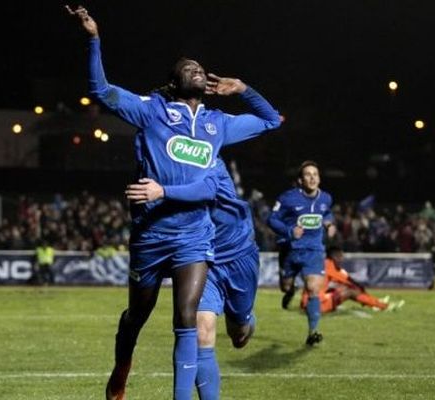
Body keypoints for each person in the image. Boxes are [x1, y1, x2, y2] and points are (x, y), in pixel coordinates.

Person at [66, 6, 281, 399]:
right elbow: (100, 90)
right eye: (188, 67)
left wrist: (243, 89)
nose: (197, 68)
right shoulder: (152, 111)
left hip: (193, 236)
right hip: (150, 235)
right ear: (172, 82)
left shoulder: (218, 123)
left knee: (186, 318)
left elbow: (272, 121)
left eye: (200, 66)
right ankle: (121, 367)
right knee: (136, 318)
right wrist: (93, 39)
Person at [126, 158, 261, 399]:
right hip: (201, 256)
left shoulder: (206, 158)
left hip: (239, 254)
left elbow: (201, 190)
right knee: (201, 330)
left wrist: (162, 191)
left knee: (239, 335)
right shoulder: (161, 163)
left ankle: (246, 320)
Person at [268, 161, 335, 346]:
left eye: (316, 174)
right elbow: (271, 219)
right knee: (286, 287)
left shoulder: (325, 198)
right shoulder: (287, 198)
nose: (312, 177)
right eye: (308, 174)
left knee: (313, 288)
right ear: (300, 180)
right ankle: (290, 291)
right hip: (290, 250)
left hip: (314, 250)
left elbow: (328, 213)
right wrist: (289, 232)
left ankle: (313, 332)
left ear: (319, 178)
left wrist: (329, 223)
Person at [299, 246, 402, 313]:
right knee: (350, 291)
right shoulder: (330, 266)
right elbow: (350, 282)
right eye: (341, 256)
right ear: (334, 257)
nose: (342, 259)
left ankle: (373, 302)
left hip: (306, 303)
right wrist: (362, 290)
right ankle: (382, 306)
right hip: (317, 307)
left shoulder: (322, 263)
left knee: (341, 289)